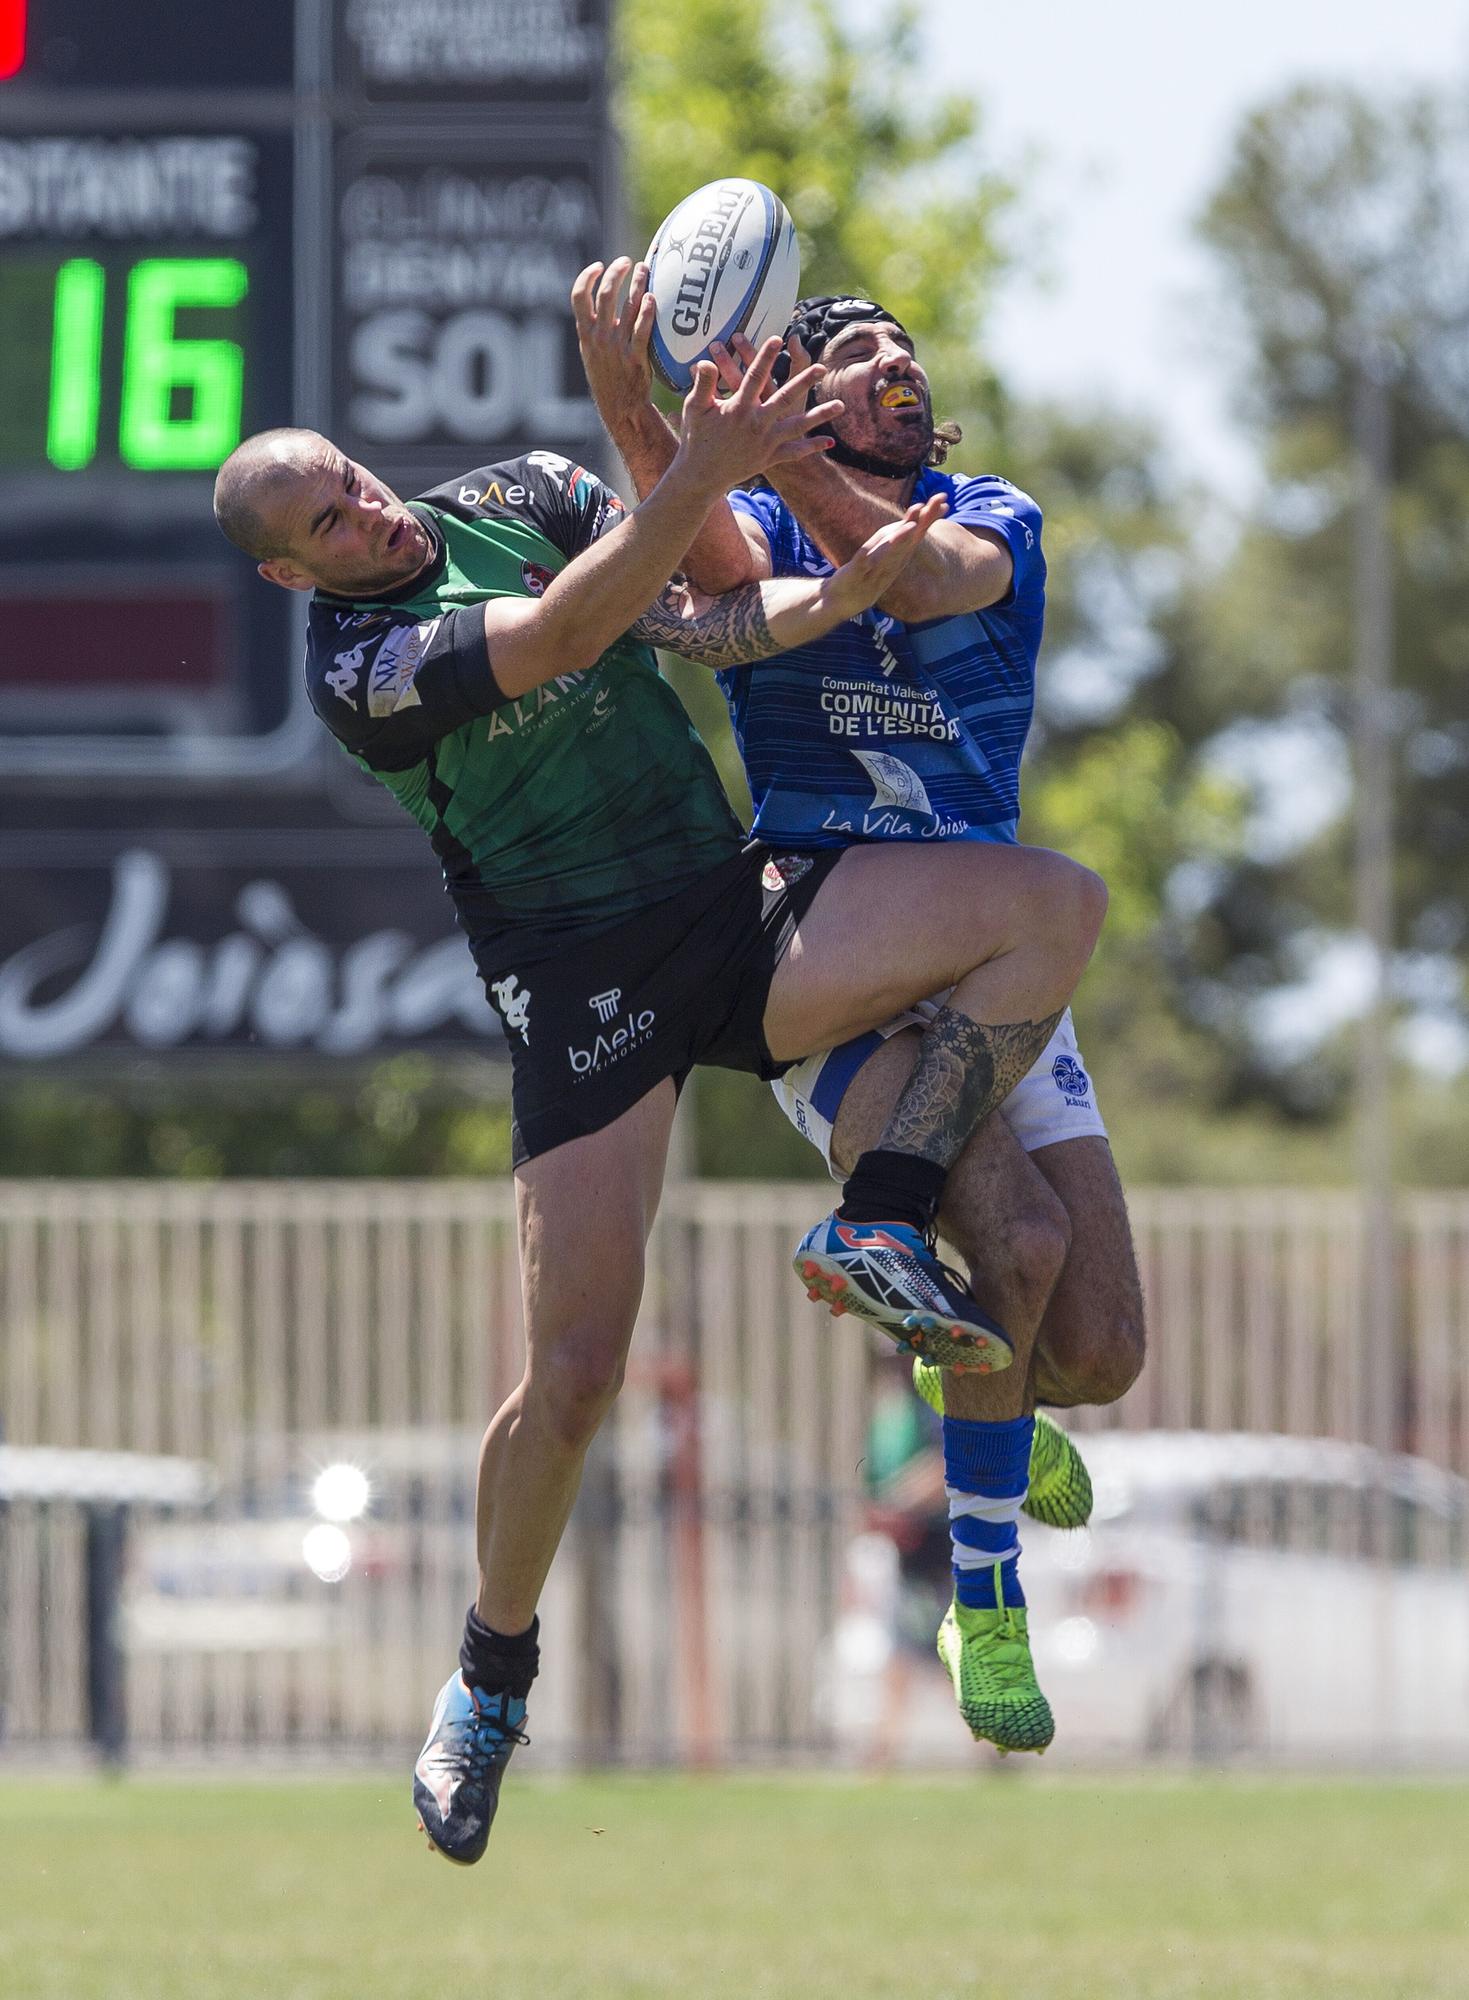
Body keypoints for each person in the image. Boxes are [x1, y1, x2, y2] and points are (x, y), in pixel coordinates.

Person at [212, 347, 1106, 1858]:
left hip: (734, 911)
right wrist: (702, 455)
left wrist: (834, 592)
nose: (370, 514)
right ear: (292, 572)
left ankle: (892, 1252)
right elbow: (566, 630)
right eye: (333, 525)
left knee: (1045, 905)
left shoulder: (528, 493)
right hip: (580, 991)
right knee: (573, 1375)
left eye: (353, 480)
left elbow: (696, 617)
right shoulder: (357, 671)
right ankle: (491, 1677)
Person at [575, 264, 1146, 1755]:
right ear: (793, 388)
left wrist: (799, 456)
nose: (891, 364)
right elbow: (696, 557)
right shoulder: (761, 517)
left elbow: (920, 577)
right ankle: (983, 1601)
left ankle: (966, 1352)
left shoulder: (993, 512)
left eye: (905, 350)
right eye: (849, 356)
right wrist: (636, 401)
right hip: (830, 946)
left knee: (1097, 1353)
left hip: (989, 969)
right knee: (1011, 1246)